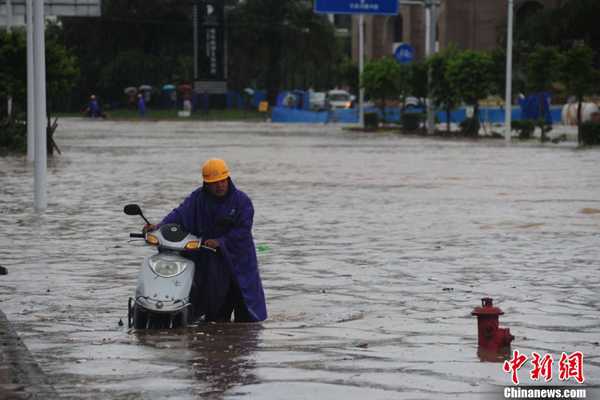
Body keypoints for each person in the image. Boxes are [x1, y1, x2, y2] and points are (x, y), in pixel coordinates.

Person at [142, 158, 267, 323]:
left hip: (238, 264)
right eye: (214, 182)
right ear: (206, 183)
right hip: (212, 263)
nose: (220, 185)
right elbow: (179, 214)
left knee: (247, 319)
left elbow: (242, 231)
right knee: (216, 318)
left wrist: (221, 241)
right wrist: (159, 226)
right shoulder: (197, 198)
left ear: (228, 179)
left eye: (223, 180)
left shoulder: (243, 201)